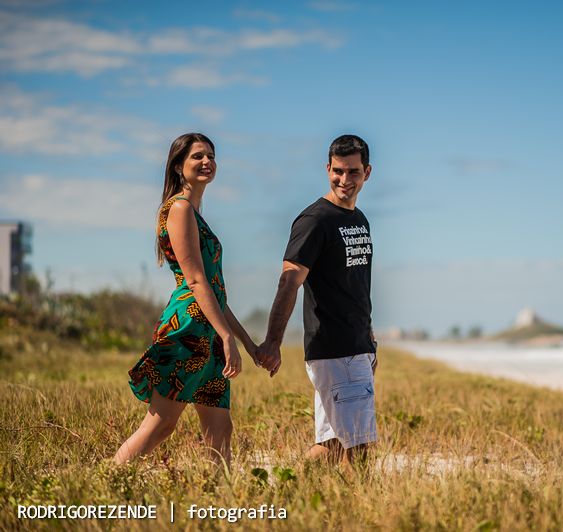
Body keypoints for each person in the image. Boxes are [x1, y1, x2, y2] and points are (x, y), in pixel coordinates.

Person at [114, 133, 258, 466]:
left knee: (220, 428)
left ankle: (221, 504)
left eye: (211, 155)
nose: (207, 161)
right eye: (197, 156)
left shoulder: (193, 213)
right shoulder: (179, 209)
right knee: (161, 424)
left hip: (209, 331)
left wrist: (247, 343)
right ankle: (104, 481)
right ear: (179, 166)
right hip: (189, 331)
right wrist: (226, 337)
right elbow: (194, 281)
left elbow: (216, 292)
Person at [256, 134, 378, 469]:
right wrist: (273, 342)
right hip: (334, 347)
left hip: (355, 346)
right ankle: (363, 513)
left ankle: (284, 491)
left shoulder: (359, 220)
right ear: (327, 169)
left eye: (353, 172)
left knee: (335, 443)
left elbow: (356, 288)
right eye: (338, 171)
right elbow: (289, 281)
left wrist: (368, 340)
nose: (344, 180)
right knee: (360, 445)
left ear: (367, 172)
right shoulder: (315, 220)